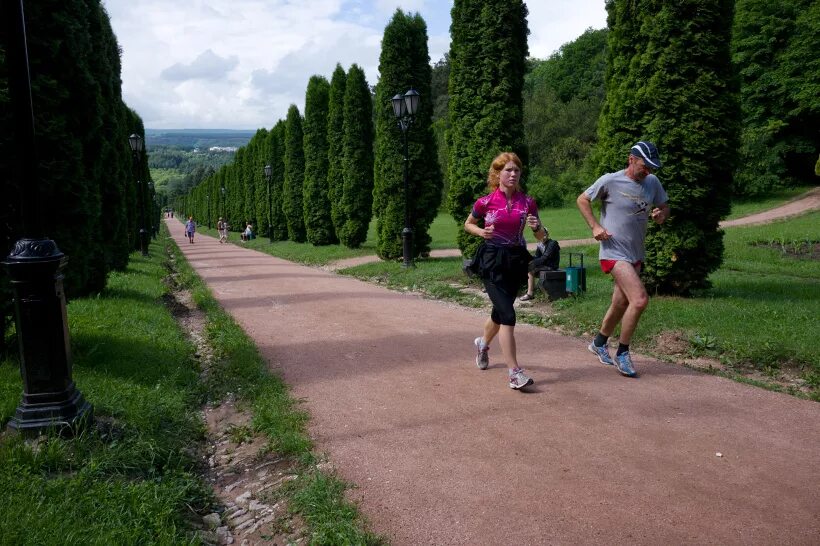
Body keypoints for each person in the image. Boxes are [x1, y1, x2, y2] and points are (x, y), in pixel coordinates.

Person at [576, 141, 670, 377]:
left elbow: (664, 207)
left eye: (651, 167)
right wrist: (595, 226)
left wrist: (661, 215)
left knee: (620, 302)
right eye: (644, 165)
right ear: (631, 160)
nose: (648, 170)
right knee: (639, 300)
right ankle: (623, 352)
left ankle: (598, 343)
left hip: (635, 253)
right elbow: (582, 199)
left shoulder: (652, 183)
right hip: (613, 251)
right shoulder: (610, 180)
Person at [464, 152, 547, 390]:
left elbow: (541, 236)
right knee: (509, 315)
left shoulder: (527, 202)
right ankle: (514, 373)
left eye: (516, 170)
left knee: (500, 313)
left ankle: (482, 343)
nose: (512, 174)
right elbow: (468, 223)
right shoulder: (486, 201)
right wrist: (481, 232)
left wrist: (537, 227)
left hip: (516, 261)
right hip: (492, 261)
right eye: (508, 170)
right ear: (498, 173)